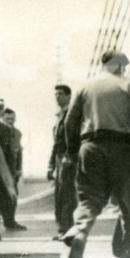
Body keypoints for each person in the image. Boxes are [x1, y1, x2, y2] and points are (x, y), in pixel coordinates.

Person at [63, 50, 130, 258]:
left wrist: (73, 150)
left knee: (89, 198)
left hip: (91, 147)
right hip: (124, 149)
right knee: (127, 203)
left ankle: (80, 231)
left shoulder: (85, 86)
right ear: (120, 65)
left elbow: (70, 121)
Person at [0, 100, 27, 231]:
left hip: (5, 169)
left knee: (10, 196)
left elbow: (14, 152)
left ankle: (9, 222)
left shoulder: (9, 131)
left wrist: (15, 170)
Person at [48, 84, 75, 239]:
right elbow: (56, 142)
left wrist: (69, 156)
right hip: (60, 158)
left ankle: (67, 229)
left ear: (69, 96)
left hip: (68, 159)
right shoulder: (60, 116)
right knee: (60, 194)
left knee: (67, 195)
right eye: (56, 94)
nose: (57, 97)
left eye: (60, 94)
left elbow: (75, 138)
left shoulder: (73, 114)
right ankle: (63, 228)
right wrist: (51, 165)